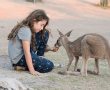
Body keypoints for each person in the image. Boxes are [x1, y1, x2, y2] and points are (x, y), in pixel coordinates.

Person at [8, 9, 57, 75]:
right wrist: (32, 70)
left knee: (45, 32)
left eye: (43, 25)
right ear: (34, 21)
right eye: (41, 25)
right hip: (18, 59)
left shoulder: (28, 27)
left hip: (23, 54)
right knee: (50, 65)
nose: (42, 28)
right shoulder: (25, 30)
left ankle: (40, 57)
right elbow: (26, 52)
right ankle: (22, 66)